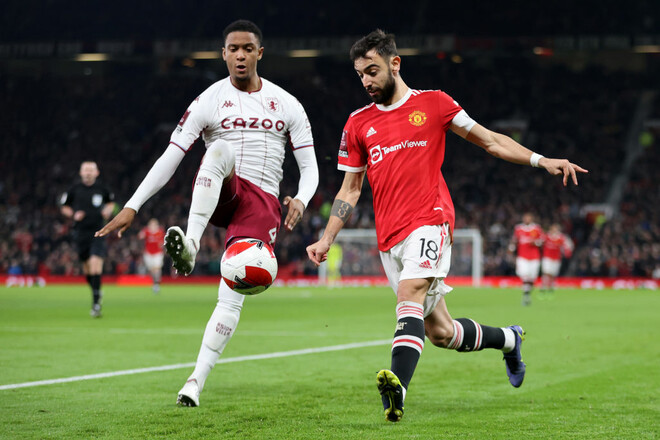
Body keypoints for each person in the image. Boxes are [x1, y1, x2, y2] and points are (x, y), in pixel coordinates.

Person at [306, 29, 587, 422]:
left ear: (395, 63)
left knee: (409, 293)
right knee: (441, 332)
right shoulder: (357, 123)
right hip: (390, 237)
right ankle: (510, 339)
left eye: (372, 71)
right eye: (360, 75)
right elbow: (350, 189)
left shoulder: (434, 104)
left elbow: (490, 141)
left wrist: (542, 161)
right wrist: (326, 237)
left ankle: (398, 391)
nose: (366, 81)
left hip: (431, 220)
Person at [95, 20, 318, 407]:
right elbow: (172, 155)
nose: (240, 55)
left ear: (259, 53)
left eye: (247, 48)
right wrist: (133, 205)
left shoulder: (287, 104)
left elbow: (310, 167)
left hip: (262, 204)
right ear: (223, 54)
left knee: (230, 297)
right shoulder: (208, 100)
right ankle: (192, 244)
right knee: (219, 149)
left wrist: (301, 197)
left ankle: (194, 382)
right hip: (224, 190)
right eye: (233, 49)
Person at [60, 161, 116, 318]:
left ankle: (96, 304)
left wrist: (108, 210)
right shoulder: (74, 189)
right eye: (86, 170)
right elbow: (64, 207)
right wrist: (73, 214)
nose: (88, 172)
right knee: (87, 270)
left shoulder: (102, 189)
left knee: (95, 265)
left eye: (91, 170)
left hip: (98, 232)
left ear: (97, 173)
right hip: (80, 233)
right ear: (81, 172)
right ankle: (97, 291)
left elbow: (111, 203)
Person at [509, 212, 545, 306]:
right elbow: (514, 240)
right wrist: (511, 249)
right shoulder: (518, 228)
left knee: (532, 278)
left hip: (534, 257)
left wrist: (535, 243)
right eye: (525, 218)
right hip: (522, 256)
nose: (526, 219)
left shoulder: (536, 228)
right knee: (524, 275)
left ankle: (527, 293)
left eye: (528, 218)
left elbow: (542, 240)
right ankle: (526, 296)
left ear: (531, 219)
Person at [540, 223, 574, 296]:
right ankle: (543, 286)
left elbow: (568, 245)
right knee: (546, 272)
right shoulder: (546, 236)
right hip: (547, 257)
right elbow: (540, 242)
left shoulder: (561, 237)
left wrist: (567, 252)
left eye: (556, 229)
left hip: (556, 259)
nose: (555, 230)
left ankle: (551, 287)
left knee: (552, 274)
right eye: (554, 229)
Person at [138, 218, 166, 293]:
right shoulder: (146, 231)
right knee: (151, 270)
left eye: (154, 225)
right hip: (148, 253)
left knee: (157, 268)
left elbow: (163, 241)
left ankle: (157, 284)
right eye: (151, 225)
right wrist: (142, 234)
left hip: (158, 253)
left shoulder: (160, 232)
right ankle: (154, 282)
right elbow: (140, 236)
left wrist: (162, 245)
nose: (153, 226)